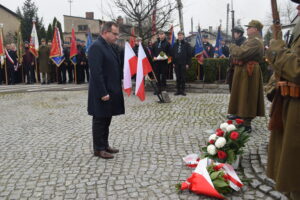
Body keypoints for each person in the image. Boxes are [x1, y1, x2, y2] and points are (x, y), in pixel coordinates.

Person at [265, 1, 300, 199]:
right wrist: (273, 86)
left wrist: (277, 49)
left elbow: (296, 69)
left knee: (295, 171)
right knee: (291, 172)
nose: (298, 8)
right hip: (289, 105)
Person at [88, 21, 124, 159]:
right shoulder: (96, 47)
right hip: (101, 91)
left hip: (111, 89)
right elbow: (96, 72)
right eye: (114, 33)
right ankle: (98, 149)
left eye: (117, 34)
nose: (117, 36)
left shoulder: (110, 46)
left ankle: (105, 145)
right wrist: (103, 92)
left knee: (107, 118)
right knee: (100, 119)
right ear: (105, 32)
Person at [227, 20, 265, 133]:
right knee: (243, 96)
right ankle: (242, 119)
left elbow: (241, 53)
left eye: (250, 27)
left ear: (256, 29)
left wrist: (232, 46)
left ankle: (246, 124)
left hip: (249, 72)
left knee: (248, 96)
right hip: (245, 71)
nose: (247, 29)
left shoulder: (255, 42)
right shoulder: (251, 40)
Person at [227, 25, 247, 120]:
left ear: (239, 33)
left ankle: (239, 113)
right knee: (233, 91)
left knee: (238, 92)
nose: (233, 34)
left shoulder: (243, 42)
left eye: (234, 32)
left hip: (239, 69)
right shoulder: (235, 41)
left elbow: (240, 55)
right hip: (233, 68)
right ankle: (235, 111)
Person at [171, 31, 192, 96]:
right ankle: (178, 90)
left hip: (183, 63)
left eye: (181, 35)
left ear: (183, 36)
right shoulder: (175, 44)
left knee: (183, 77)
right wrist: (173, 62)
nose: (180, 36)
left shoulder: (186, 44)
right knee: (178, 77)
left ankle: (182, 90)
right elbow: (173, 54)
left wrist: (188, 64)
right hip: (176, 63)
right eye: (179, 35)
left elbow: (189, 55)